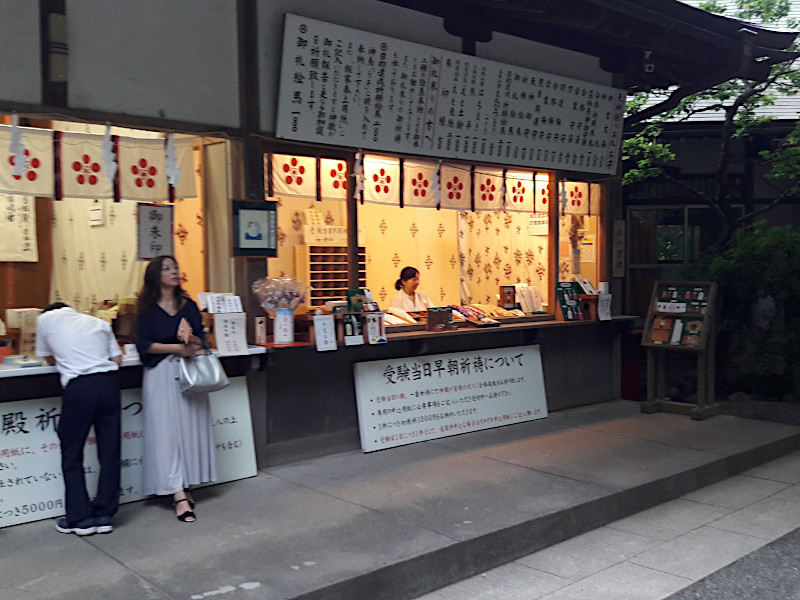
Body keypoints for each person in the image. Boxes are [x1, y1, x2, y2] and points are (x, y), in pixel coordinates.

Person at [134, 255, 216, 522]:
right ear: (156, 276)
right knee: (165, 433)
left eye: (176, 267)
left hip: (189, 374)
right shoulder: (146, 309)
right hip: (159, 374)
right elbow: (143, 345)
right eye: (167, 268)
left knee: (190, 429)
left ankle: (185, 483)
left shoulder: (188, 305)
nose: (174, 272)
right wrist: (177, 347)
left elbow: (201, 343)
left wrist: (190, 339)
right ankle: (178, 494)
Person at [35, 302, 122, 536]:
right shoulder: (98, 322)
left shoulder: (45, 319)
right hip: (109, 385)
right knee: (110, 452)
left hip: (80, 388)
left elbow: (48, 359)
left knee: (72, 453)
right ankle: (104, 516)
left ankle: (81, 519)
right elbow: (117, 359)